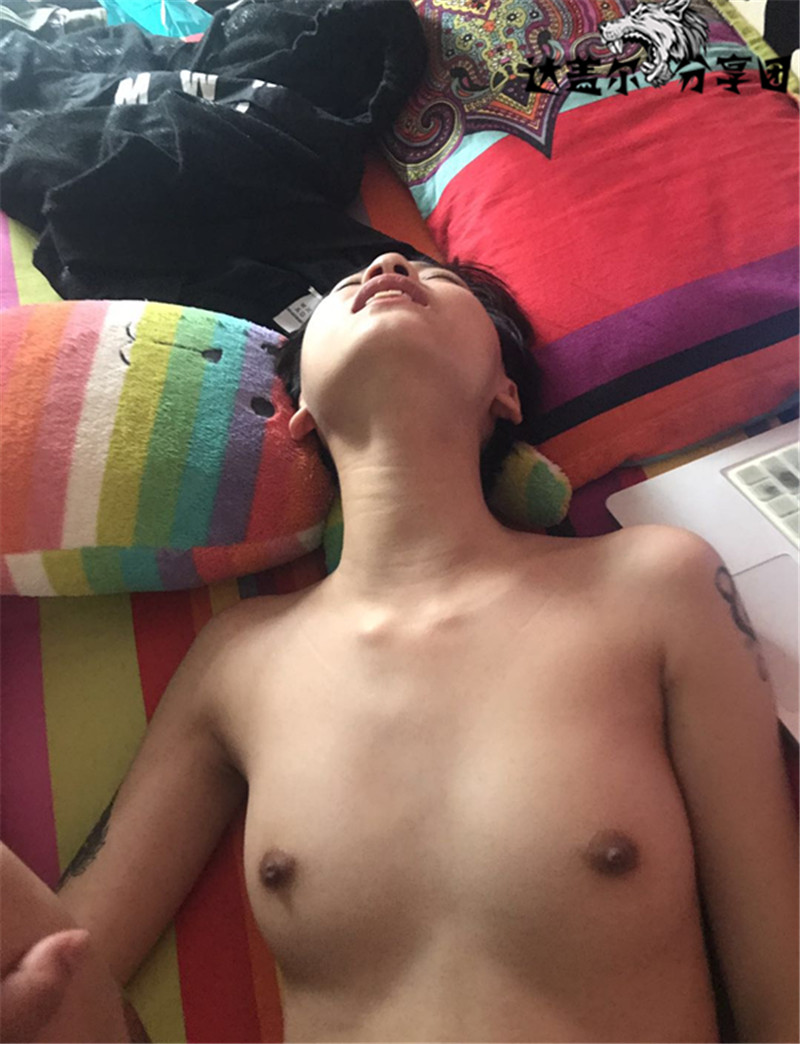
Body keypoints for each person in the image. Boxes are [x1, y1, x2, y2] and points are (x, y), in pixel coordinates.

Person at [1, 252, 798, 1044]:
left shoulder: (656, 582)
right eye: (345, 286)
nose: (384, 264)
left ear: (506, 392)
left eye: (440, 280)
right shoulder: (239, 657)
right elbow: (60, 968)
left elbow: (782, 978)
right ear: (301, 410)